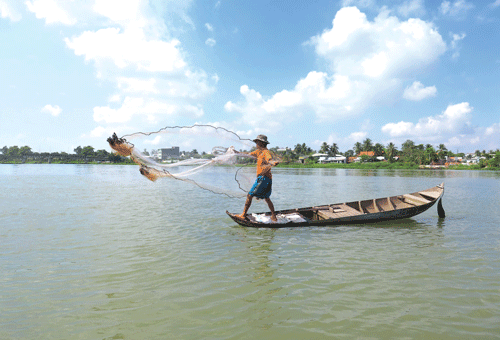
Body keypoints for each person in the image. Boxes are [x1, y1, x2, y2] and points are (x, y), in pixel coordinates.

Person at [236, 135, 279, 222]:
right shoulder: (258, 152)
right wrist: (236, 152)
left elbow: (269, 159)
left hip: (263, 178)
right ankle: (274, 216)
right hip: (267, 179)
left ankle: (243, 215)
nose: (256, 144)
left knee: (250, 195)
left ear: (262, 143)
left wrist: (272, 162)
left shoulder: (266, 152)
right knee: (267, 198)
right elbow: (247, 155)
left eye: (257, 142)